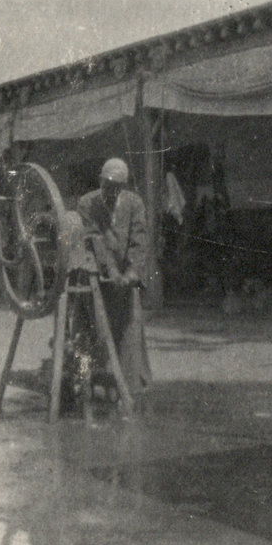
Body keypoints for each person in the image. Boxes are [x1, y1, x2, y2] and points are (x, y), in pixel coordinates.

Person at [73, 157, 152, 394]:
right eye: (106, 185)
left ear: (123, 187)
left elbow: (139, 239)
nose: (110, 191)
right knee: (86, 326)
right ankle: (82, 379)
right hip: (93, 273)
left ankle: (129, 385)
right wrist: (112, 271)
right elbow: (95, 239)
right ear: (99, 181)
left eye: (116, 187)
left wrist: (130, 273)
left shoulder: (134, 203)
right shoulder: (87, 203)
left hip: (125, 277)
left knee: (129, 328)